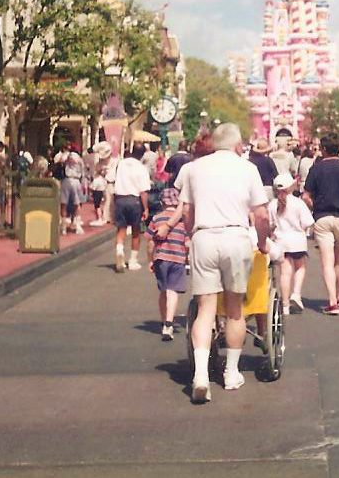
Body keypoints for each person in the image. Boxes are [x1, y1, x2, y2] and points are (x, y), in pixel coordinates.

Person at [172, 122, 270, 402]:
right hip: (235, 236)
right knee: (235, 310)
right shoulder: (247, 168)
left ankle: (201, 375)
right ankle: (231, 372)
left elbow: (187, 211)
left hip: (204, 237)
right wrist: (262, 243)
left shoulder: (194, 169)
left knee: (205, 309)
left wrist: (193, 233)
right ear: (238, 145)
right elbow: (261, 216)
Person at [303, 134, 339, 315]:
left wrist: (314, 207)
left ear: (323, 150)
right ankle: (338, 293)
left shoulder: (316, 169)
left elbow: (306, 196)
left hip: (322, 218)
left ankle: (333, 302)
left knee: (327, 262)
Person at [146, 187, 188, 341]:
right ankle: (169, 324)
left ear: (162, 202)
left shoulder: (157, 218)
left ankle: (164, 320)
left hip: (161, 258)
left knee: (163, 290)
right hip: (178, 258)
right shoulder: (182, 221)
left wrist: (150, 260)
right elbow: (188, 242)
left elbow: (150, 242)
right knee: (173, 291)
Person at [269, 173, 314, 314]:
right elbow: (308, 223)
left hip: (280, 242)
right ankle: (296, 293)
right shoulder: (298, 203)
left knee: (285, 273)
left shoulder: (272, 205)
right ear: (291, 186)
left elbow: (270, 224)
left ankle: (285, 305)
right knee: (300, 268)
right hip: (297, 241)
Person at [112, 144, 152, 273]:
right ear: (142, 155)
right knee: (136, 231)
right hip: (134, 200)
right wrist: (146, 208)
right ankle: (133, 261)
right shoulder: (141, 168)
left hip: (120, 198)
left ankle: (119, 251)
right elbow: (144, 191)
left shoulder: (121, 164)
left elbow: (112, 178)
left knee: (121, 229)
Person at [54, 143, 88, 235]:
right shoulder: (80, 159)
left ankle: (63, 226)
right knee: (77, 204)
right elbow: (83, 172)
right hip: (76, 181)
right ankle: (77, 226)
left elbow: (56, 161)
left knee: (63, 204)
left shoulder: (65, 156)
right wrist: (84, 185)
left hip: (66, 180)